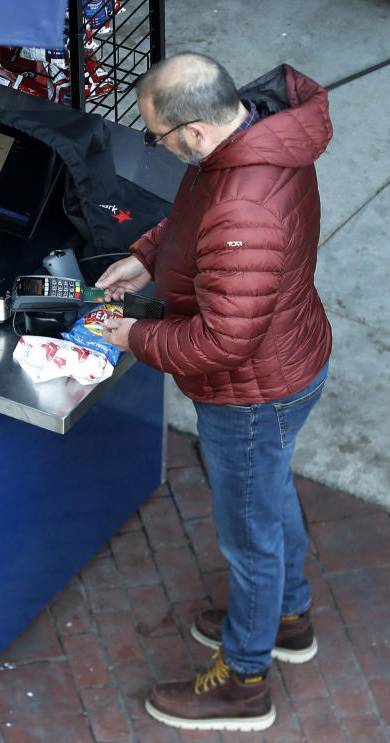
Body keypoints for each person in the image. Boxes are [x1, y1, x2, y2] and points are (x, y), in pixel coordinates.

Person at [96, 52, 332, 732]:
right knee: (271, 491)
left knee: (248, 535)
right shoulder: (249, 140)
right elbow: (198, 218)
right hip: (289, 361)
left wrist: (130, 339)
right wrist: (144, 257)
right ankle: (288, 615)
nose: (158, 148)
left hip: (251, 392)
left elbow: (220, 342)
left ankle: (244, 680)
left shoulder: (244, 208)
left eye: (156, 138)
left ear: (193, 132)